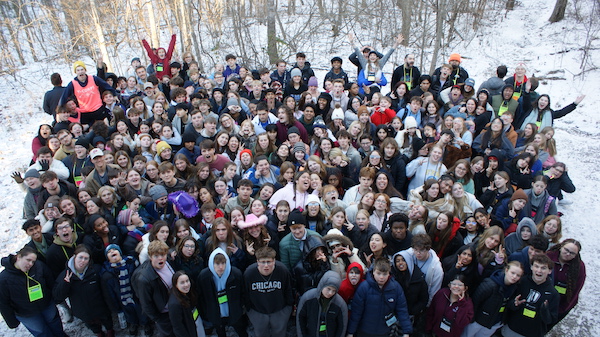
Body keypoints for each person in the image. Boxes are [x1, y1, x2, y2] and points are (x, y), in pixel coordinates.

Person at [0, 247, 67, 337]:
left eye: (33, 261)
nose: (30, 264)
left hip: (46, 305)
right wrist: (11, 321)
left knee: (56, 325)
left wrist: (56, 296)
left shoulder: (39, 266)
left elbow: (49, 280)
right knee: (42, 332)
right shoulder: (4, 279)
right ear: (18, 257)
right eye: (28, 260)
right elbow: (3, 302)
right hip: (27, 314)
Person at [53, 246, 114, 336]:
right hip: (82, 310)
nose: (82, 261)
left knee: (107, 320)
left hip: (100, 307)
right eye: (80, 257)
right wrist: (65, 283)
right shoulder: (65, 275)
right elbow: (58, 296)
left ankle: (110, 331)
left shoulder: (95, 270)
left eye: (86, 258)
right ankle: (99, 333)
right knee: (92, 324)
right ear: (74, 257)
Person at [347, 257, 413, 337]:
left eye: (384, 274)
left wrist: (406, 331)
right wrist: (351, 332)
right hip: (365, 331)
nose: (381, 277)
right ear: (373, 272)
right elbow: (356, 312)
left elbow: (402, 310)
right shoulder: (364, 287)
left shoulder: (396, 288)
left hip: (385, 331)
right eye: (378, 273)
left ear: (389, 274)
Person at [461, 261, 524, 337]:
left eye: (518, 275)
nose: (514, 277)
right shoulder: (490, 284)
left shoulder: (514, 288)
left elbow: (507, 305)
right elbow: (475, 301)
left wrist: (514, 304)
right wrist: (472, 319)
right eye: (512, 273)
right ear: (506, 270)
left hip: (494, 323)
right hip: (477, 321)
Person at [501, 254, 559, 337]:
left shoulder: (553, 293)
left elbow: (551, 320)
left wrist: (545, 312)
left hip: (532, 333)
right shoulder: (521, 282)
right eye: (536, 266)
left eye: (543, 268)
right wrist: (514, 304)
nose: (539, 271)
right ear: (531, 267)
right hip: (512, 329)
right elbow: (507, 303)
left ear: (549, 271)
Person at [243, 246, 294, 337]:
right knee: (261, 334)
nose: (266, 265)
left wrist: (288, 308)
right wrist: (250, 310)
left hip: (280, 310)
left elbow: (289, 290)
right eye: (263, 262)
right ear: (257, 262)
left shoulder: (282, 270)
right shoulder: (249, 273)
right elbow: (245, 294)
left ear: (274, 261)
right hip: (257, 311)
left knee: (279, 334)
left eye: (269, 262)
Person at [198, 248, 247, 337]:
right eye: (217, 264)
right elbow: (201, 297)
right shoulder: (204, 277)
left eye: (223, 263)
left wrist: (240, 308)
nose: (221, 267)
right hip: (215, 313)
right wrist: (207, 312)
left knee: (241, 331)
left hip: (234, 311)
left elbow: (243, 293)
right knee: (220, 332)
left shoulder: (236, 274)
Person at [132, 240, 175, 337]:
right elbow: (146, 304)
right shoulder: (144, 278)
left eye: (163, 255)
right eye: (156, 256)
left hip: (175, 306)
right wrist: (158, 319)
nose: (161, 258)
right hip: (164, 314)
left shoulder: (168, 262)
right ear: (150, 257)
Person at [60, 61, 116, 125]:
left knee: (105, 126)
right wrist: (60, 112)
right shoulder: (72, 83)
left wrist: (114, 94)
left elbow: (106, 85)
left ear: (85, 70)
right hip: (85, 112)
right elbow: (64, 97)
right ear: (76, 72)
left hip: (98, 109)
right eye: (78, 70)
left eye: (82, 69)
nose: (80, 72)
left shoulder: (93, 78)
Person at [296, 270, 348, 337]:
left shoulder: (340, 304)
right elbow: (300, 319)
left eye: (334, 291)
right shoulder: (308, 298)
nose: (330, 293)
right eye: (328, 289)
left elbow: (342, 327)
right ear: (322, 285)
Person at [546, 239, 586, 326]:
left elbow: (575, 291)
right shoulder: (549, 256)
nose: (568, 254)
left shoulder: (579, 267)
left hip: (561, 304)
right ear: (561, 247)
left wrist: (561, 310)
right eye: (566, 250)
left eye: (572, 253)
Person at [168, 271, 206, 337]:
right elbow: (178, 327)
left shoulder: (188, 293)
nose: (186, 284)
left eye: (187, 281)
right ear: (176, 285)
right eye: (182, 283)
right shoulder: (174, 304)